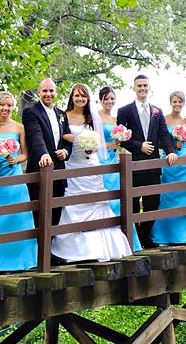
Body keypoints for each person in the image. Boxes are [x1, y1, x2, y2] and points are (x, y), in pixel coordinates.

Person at [51, 84, 133, 263]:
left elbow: (99, 142)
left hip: (91, 162)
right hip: (72, 164)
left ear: (88, 99)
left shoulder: (91, 117)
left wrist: (92, 147)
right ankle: (73, 249)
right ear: (71, 97)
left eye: (84, 96)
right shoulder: (63, 116)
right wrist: (77, 140)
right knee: (73, 202)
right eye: (77, 96)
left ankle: (101, 248)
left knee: (96, 201)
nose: (80, 99)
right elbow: (61, 136)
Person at [116, 73, 178, 248]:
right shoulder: (125, 111)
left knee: (153, 202)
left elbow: (164, 135)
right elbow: (121, 137)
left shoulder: (157, 111)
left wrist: (171, 151)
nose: (142, 88)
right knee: (134, 203)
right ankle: (135, 239)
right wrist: (139, 146)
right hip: (134, 164)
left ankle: (144, 236)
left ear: (149, 87)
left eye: (145, 85)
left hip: (153, 165)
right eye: (139, 86)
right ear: (134, 88)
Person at [0, 92, 37, 272]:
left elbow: (26, 154)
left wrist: (16, 160)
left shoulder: (19, 127)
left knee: (18, 219)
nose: (6, 109)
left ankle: (23, 262)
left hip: (15, 178)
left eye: (9, 105)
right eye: (3, 105)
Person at [149, 91, 186, 246]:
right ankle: (167, 235)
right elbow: (158, 141)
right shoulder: (163, 119)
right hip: (169, 161)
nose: (177, 105)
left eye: (180, 102)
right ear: (170, 102)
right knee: (169, 196)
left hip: (185, 161)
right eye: (175, 102)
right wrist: (173, 145)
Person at [22, 77, 72, 226]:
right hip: (39, 169)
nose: (48, 94)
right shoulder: (30, 112)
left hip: (59, 171)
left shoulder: (62, 114)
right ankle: (40, 248)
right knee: (39, 213)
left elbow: (67, 139)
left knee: (56, 212)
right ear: (39, 92)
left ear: (56, 92)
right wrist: (44, 154)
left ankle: (52, 247)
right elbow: (35, 136)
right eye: (44, 91)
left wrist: (65, 152)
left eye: (51, 90)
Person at [97, 86, 141, 252]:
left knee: (118, 197)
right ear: (101, 100)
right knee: (105, 196)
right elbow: (94, 140)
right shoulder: (97, 117)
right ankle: (105, 241)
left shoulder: (116, 120)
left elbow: (120, 142)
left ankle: (124, 240)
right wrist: (108, 145)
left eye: (112, 99)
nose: (109, 102)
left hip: (113, 158)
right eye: (106, 99)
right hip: (100, 159)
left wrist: (118, 142)